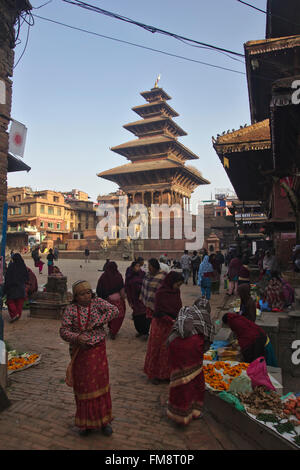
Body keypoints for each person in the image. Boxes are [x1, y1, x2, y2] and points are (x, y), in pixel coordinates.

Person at [60, 280, 119, 437]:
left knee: (100, 384)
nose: (86, 296)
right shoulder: (71, 310)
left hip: (97, 350)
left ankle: (104, 421)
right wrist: (77, 337)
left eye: (88, 293)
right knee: (84, 386)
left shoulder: (98, 303)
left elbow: (114, 311)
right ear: (76, 296)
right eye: (81, 294)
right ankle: (85, 423)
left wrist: (96, 322)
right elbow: (64, 330)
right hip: (80, 352)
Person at [166, 298, 215, 426]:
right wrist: (199, 356)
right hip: (192, 347)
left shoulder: (186, 309)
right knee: (194, 381)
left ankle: (175, 411)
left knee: (178, 379)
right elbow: (207, 342)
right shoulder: (206, 317)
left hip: (174, 343)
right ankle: (191, 413)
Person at [144, 271, 184, 384]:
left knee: (168, 351)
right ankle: (154, 375)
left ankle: (166, 374)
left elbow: (178, 306)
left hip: (171, 325)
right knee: (157, 350)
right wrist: (170, 319)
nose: (178, 287)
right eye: (177, 284)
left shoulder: (176, 292)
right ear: (171, 282)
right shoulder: (161, 293)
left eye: (179, 285)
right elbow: (158, 312)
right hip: (161, 325)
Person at [96, 261, 126, 340]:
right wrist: (123, 298)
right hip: (117, 300)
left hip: (107, 300)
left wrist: (102, 299)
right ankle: (113, 331)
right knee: (119, 316)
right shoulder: (118, 276)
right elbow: (122, 289)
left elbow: (99, 289)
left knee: (110, 315)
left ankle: (111, 328)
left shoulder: (103, 276)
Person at [125, 261, 150, 338]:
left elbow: (147, 286)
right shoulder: (130, 276)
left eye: (139, 266)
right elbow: (127, 287)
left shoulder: (143, 275)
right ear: (133, 267)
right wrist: (129, 300)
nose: (138, 268)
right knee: (137, 317)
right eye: (136, 266)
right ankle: (140, 331)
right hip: (134, 300)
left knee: (144, 315)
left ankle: (145, 332)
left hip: (142, 299)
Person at [4, 253, 29, 322]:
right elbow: (26, 277)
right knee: (19, 303)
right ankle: (18, 315)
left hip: (12, 287)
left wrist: (6, 287)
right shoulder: (23, 266)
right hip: (21, 287)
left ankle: (15, 314)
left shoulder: (11, 266)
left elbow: (7, 277)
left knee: (10, 302)